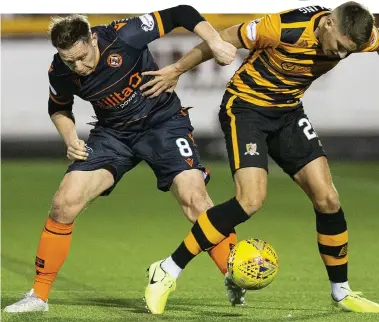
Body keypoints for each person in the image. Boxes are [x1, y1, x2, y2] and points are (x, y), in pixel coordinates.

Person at [141, 1, 379, 314]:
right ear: (327, 24)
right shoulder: (282, 27)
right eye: (339, 46)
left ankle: (342, 292)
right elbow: (223, 38)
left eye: (348, 51)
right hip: (246, 109)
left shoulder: (356, 35)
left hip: (287, 112)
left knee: (328, 199)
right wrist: (177, 69)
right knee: (251, 200)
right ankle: (166, 270)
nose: (340, 54)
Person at [3, 6, 243, 314]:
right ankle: (38, 295)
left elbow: (180, 12)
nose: (78, 66)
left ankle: (235, 274)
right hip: (113, 135)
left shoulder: (124, 35)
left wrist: (215, 42)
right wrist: (71, 139)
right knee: (65, 202)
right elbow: (58, 108)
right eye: (69, 60)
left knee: (195, 200)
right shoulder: (60, 70)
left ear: (91, 38)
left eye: (82, 57)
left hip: (162, 124)